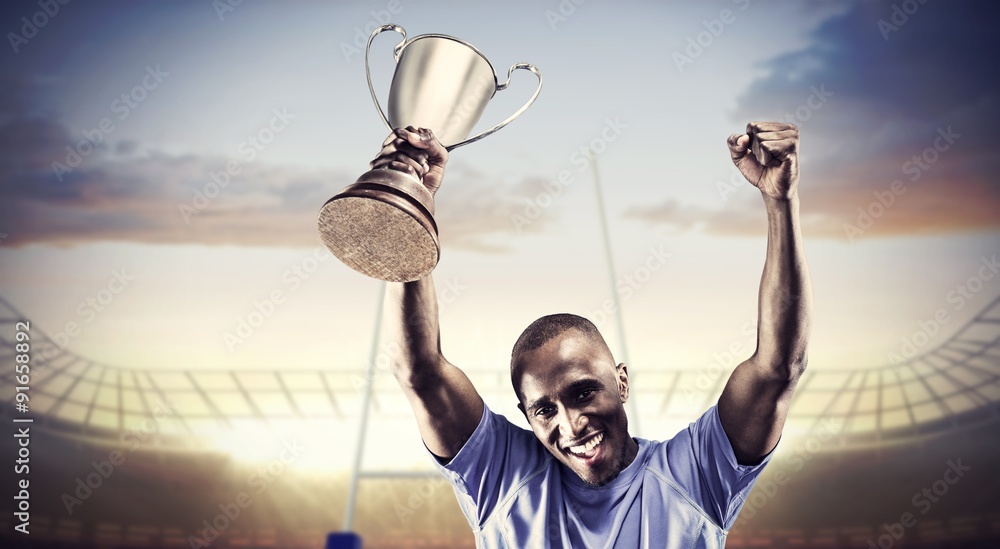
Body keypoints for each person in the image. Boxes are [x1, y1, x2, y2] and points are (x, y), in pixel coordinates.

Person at [375, 122, 812, 548]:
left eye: (583, 393)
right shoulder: (504, 475)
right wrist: (410, 199)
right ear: (527, 417)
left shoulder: (692, 475)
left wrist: (780, 199)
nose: (571, 425)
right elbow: (419, 372)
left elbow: (778, 369)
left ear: (621, 381)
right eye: (545, 410)